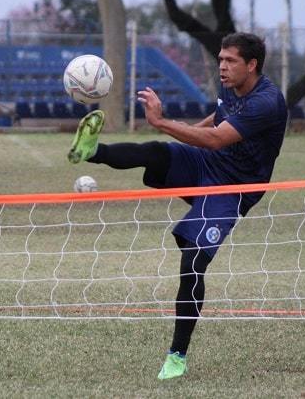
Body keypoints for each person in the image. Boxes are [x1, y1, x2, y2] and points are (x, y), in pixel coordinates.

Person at [67, 32, 287, 380]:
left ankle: (177, 356)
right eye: (220, 59)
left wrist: (163, 121)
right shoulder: (232, 87)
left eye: (230, 61)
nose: (222, 67)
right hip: (208, 164)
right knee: (155, 152)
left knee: (193, 261)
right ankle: (92, 151)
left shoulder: (267, 102)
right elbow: (215, 123)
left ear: (252, 65)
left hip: (233, 189)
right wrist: (181, 134)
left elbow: (216, 139)